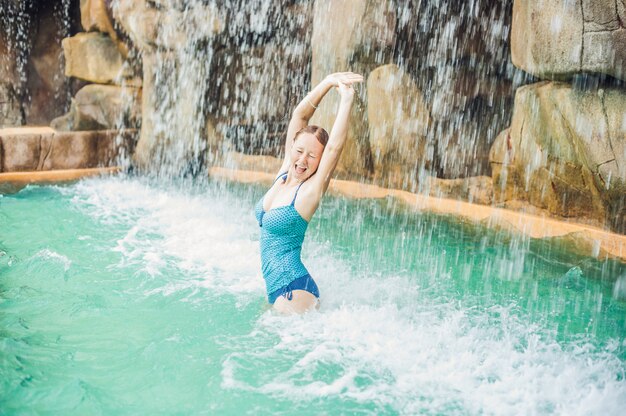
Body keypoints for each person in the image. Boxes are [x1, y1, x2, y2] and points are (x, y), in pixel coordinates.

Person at [254, 72, 364, 314]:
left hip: (294, 289)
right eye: (300, 151)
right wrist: (326, 83)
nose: (303, 160)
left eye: (312, 156)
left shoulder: (310, 191)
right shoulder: (284, 172)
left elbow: (334, 147)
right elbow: (300, 115)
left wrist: (346, 100)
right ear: (292, 146)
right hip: (277, 289)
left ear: (319, 162)